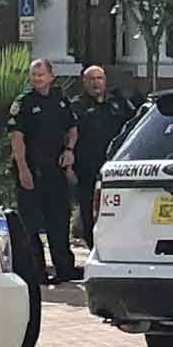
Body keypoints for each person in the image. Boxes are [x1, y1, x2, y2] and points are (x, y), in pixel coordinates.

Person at [7, 58, 79, 284]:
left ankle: (64, 268)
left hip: (55, 171)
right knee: (31, 224)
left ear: (51, 76)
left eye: (41, 74)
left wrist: (69, 150)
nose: (37, 79)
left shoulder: (60, 101)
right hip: (31, 170)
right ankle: (36, 271)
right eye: (34, 75)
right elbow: (16, 138)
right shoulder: (24, 102)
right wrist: (23, 169)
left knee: (59, 220)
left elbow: (72, 128)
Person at [71, 66, 135, 248]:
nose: (96, 83)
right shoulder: (77, 106)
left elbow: (132, 127)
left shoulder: (118, 104)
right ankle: (93, 246)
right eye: (91, 79)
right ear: (84, 82)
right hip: (87, 167)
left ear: (105, 80)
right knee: (88, 208)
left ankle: (118, 245)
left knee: (119, 206)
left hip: (115, 167)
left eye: (99, 78)